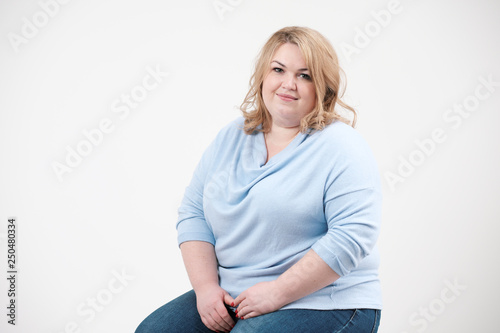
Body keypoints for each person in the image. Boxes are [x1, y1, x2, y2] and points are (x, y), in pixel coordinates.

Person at [135, 26, 382, 333]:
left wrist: (277, 293)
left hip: (328, 300)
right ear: (263, 75)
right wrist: (206, 288)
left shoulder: (341, 146)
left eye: (305, 75)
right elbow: (194, 213)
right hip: (237, 292)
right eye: (278, 69)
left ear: (324, 87)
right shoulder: (232, 136)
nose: (288, 84)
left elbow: (353, 235)